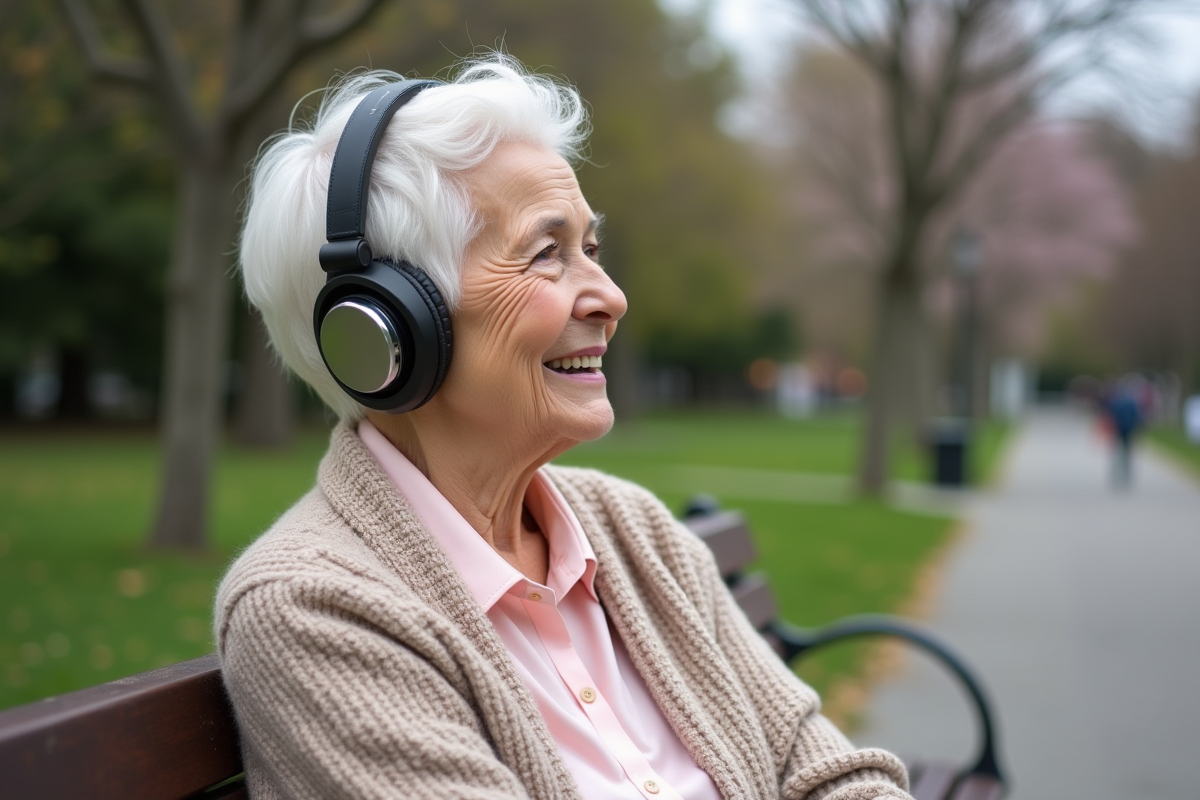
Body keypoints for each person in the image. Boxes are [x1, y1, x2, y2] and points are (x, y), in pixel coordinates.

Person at [217, 54, 911, 800]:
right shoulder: (314, 610)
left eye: (593, 248)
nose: (610, 297)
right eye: (547, 254)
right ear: (387, 326)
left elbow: (824, 770)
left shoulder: (634, 532)